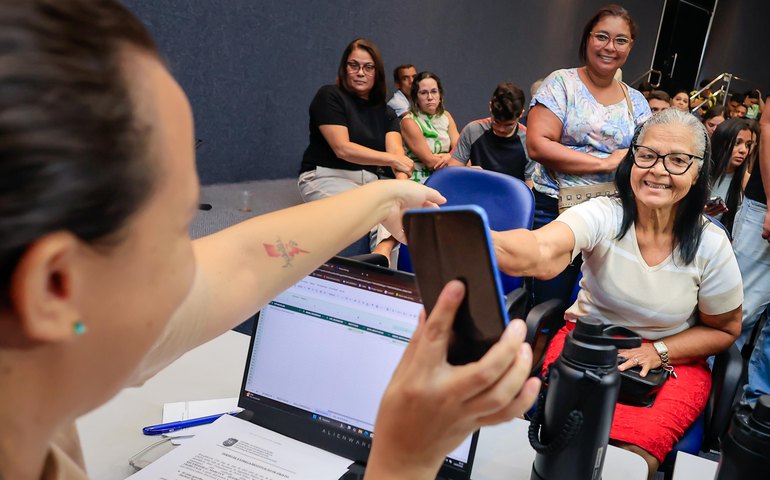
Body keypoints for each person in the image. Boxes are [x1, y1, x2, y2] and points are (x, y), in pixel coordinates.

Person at [0, 2, 542, 479]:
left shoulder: (46, 356)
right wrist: (405, 460)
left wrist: (384, 199)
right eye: (177, 228)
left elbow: (239, 262)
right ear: (56, 286)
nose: (195, 257)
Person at [493, 109, 743, 478]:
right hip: (587, 345)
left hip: (672, 362)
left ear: (697, 172)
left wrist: (658, 351)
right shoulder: (603, 214)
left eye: (678, 160)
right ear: (632, 160)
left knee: (628, 462)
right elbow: (542, 250)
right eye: (647, 155)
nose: (658, 170)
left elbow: (724, 329)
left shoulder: (711, 244)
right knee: (561, 443)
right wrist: (474, 235)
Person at [525, 4, 651, 305]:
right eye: (602, 37)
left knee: (592, 305)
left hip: (612, 216)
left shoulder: (636, 101)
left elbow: (646, 154)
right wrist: (604, 163)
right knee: (546, 304)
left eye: (621, 40)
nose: (610, 47)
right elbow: (538, 144)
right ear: (588, 38)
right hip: (556, 209)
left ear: (630, 46)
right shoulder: (562, 83)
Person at [297, 38, 414, 257]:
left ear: (377, 73)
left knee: (399, 208)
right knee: (371, 209)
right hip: (326, 176)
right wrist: (392, 160)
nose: (360, 72)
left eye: (368, 67)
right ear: (344, 68)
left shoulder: (387, 113)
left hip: (369, 184)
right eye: (354, 65)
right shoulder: (329, 96)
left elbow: (398, 156)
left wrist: (400, 189)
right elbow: (342, 149)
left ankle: (382, 255)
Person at [733, 96, 770, 407]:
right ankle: (700, 403)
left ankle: (756, 413)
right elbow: (768, 126)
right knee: (735, 315)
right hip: (764, 208)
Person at [452, 82, 535, 185]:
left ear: (521, 114)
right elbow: (451, 174)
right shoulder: (473, 131)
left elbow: (529, 188)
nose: (501, 129)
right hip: (477, 191)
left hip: (512, 194)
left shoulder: (528, 140)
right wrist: (467, 172)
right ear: (490, 107)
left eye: (509, 125)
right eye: (496, 122)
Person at [401, 71, 461, 183]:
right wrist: (452, 157)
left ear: (440, 95)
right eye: (423, 93)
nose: (430, 97)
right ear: (415, 97)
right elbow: (431, 162)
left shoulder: (446, 116)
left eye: (434, 91)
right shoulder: (409, 121)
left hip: (449, 174)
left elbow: (461, 152)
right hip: (422, 180)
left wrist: (453, 158)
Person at [706, 118, 753, 232]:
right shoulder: (698, 173)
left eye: (748, 145)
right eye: (737, 143)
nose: (743, 150)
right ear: (721, 142)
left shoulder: (746, 182)